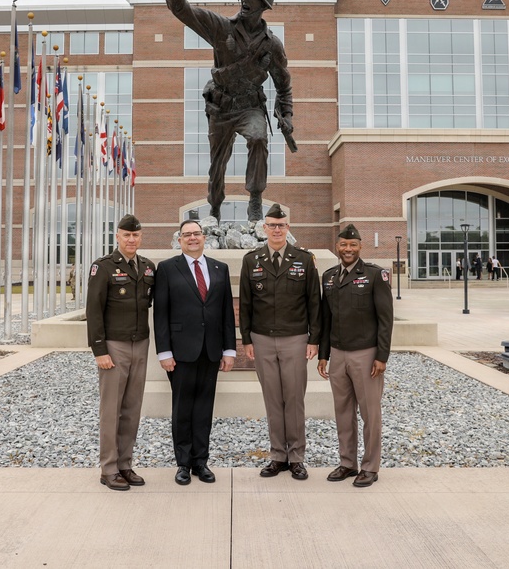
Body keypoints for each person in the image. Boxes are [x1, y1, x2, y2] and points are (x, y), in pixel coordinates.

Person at [158, 0, 295, 222]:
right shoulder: (221, 28)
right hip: (220, 108)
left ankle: (255, 200)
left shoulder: (273, 46)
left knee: (258, 138)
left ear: (264, 5)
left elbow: (284, 86)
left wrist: (287, 115)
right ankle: (216, 208)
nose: (245, 1)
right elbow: (182, 10)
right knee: (217, 165)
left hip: (249, 108)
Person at [240, 203, 321, 480]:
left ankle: (296, 457)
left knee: (294, 398)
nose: (276, 229)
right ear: (264, 228)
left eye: (281, 225)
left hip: (296, 338)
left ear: (288, 228)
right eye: (272, 225)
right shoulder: (252, 260)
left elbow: (314, 302)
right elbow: (247, 302)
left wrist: (314, 339)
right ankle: (277, 456)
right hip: (262, 339)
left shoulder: (304, 259)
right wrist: (246, 339)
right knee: (273, 399)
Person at [154, 220, 236, 486]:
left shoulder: (219, 268)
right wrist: (164, 351)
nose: (192, 238)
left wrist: (229, 349)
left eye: (196, 234)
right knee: (183, 409)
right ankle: (183, 463)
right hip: (180, 352)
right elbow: (161, 314)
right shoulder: (167, 269)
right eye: (187, 235)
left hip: (211, 351)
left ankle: (201, 462)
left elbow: (226, 313)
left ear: (204, 237)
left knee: (204, 408)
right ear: (179, 240)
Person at [318, 224, 393, 488]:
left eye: (352, 245)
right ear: (337, 247)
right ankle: (347, 463)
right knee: (343, 411)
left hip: (365, 354)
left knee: (370, 414)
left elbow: (386, 320)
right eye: (343, 245)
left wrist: (381, 356)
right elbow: (325, 319)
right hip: (338, 354)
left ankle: (370, 467)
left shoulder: (375, 275)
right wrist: (323, 355)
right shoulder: (328, 277)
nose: (347, 249)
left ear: (360, 246)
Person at [86, 214, 156, 492]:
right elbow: (94, 311)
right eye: (126, 235)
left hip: (140, 344)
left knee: (132, 409)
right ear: (117, 236)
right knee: (111, 410)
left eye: (135, 235)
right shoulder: (103, 267)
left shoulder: (148, 268)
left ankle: (125, 464)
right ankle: (109, 468)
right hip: (113, 347)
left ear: (141, 237)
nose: (131, 239)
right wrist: (99, 350)